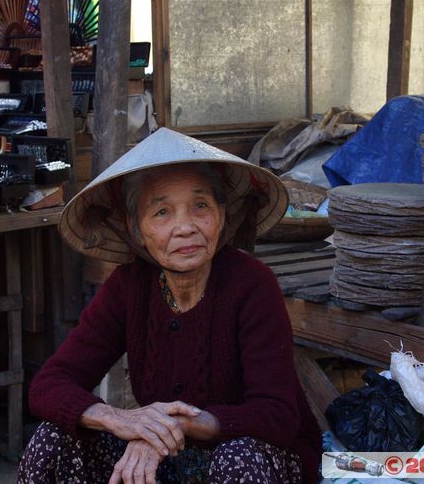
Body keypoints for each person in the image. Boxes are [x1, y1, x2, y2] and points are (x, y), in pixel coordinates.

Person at [19, 128, 322, 484]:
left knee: (240, 458)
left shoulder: (251, 284)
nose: (185, 227)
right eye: (162, 212)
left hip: (250, 456)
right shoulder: (128, 287)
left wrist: (177, 425)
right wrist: (121, 420)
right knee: (52, 439)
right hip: (167, 458)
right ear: (136, 230)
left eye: (200, 206)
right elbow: (49, 385)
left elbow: (276, 415)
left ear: (221, 216)